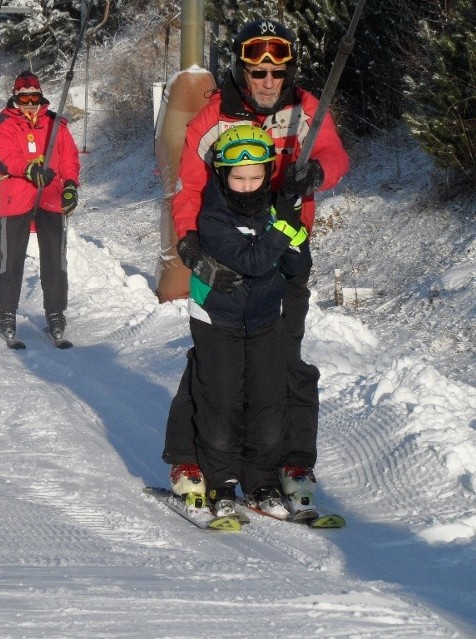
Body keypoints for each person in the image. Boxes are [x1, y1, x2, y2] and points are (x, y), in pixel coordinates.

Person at [164, 18, 350, 515]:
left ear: (288, 73)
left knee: (284, 363)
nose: (268, 82)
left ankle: (287, 462)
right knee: (212, 369)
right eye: (257, 72)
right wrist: (189, 248)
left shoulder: (305, 108)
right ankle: (190, 459)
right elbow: (189, 188)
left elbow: (334, 153)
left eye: (277, 72)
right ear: (242, 72)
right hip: (222, 257)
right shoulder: (212, 119)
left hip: (285, 252)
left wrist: (318, 172)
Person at [173, 124, 311, 518]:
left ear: (268, 173)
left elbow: (297, 266)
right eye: (238, 177)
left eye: (256, 176)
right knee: (223, 402)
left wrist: (295, 235)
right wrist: (283, 227)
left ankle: (262, 479)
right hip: (218, 317)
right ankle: (221, 480)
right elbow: (251, 263)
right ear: (222, 174)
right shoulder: (213, 218)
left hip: (266, 316)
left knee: (268, 400)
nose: (248, 185)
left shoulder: (273, 209)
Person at [0, 71, 80, 342]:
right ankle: (6, 313)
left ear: (41, 97)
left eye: (34, 97)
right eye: (24, 98)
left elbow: (69, 158)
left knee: (54, 257)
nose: (30, 103)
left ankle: (55, 313)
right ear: (16, 98)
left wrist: (71, 185)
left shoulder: (55, 123)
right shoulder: (4, 123)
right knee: (11, 257)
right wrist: (29, 169)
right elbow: (5, 156)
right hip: (17, 196)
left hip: (50, 195)